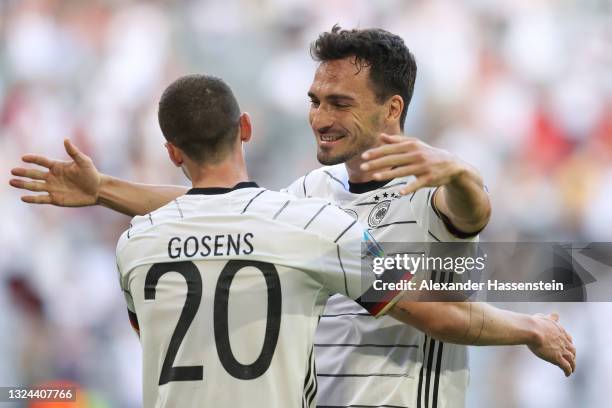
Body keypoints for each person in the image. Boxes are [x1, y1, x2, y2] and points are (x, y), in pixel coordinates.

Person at [10, 29, 577, 408]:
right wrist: (102, 187)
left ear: (393, 109)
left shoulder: (429, 190)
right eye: (314, 100)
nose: (319, 117)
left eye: (340, 103)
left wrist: (458, 170)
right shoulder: (308, 197)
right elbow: (223, 208)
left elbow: (473, 210)